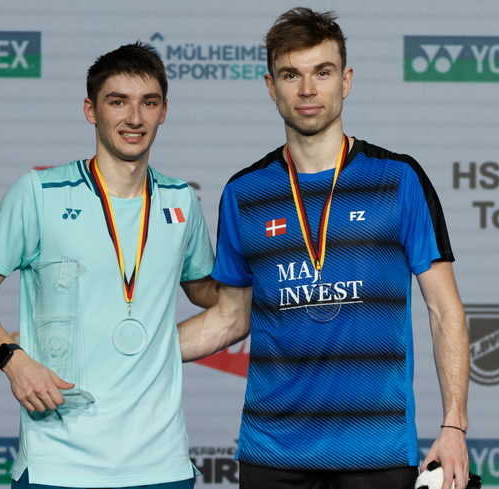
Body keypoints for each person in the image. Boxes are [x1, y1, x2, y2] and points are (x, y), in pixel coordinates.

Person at [178, 8, 470, 489]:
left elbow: (445, 311)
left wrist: (454, 425)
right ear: (271, 87)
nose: (308, 90)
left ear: (346, 80)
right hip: (272, 455)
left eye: (323, 72)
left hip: (375, 453)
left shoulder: (398, 180)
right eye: (291, 75)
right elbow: (230, 317)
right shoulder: (243, 193)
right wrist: (140, 353)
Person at [0, 42, 217, 488]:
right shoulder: (38, 192)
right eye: (118, 102)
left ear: (163, 111)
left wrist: (273, 274)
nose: (135, 118)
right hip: (59, 462)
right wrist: (13, 360)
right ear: (90, 110)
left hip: (160, 463)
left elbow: (208, 292)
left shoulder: (180, 200)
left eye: (148, 103)